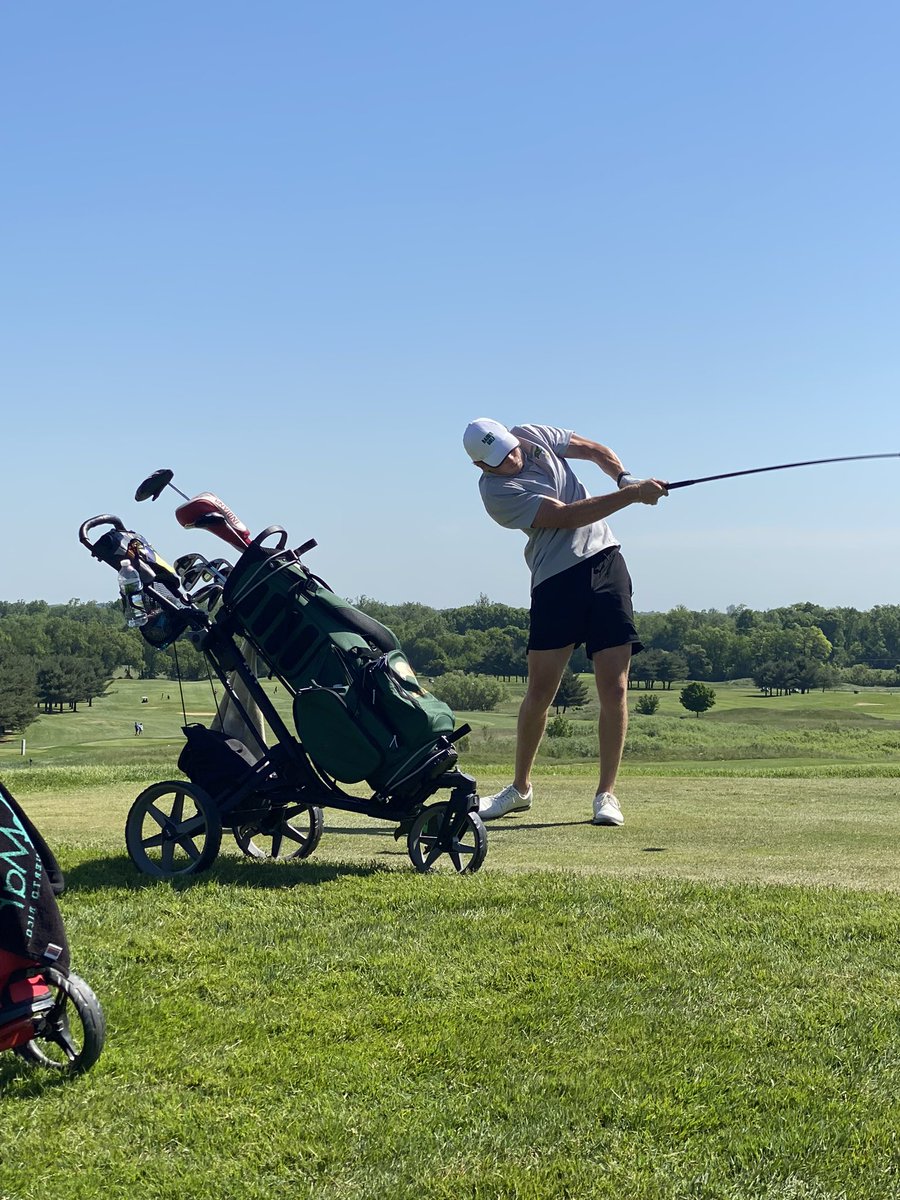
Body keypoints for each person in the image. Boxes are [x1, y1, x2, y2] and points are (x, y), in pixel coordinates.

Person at [463, 418, 668, 826]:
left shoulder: (530, 434)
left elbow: (592, 450)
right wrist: (630, 496)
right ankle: (520, 790)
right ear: (482, 467)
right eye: (502, 459)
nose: (514, 457)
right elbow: (568, 516)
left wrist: (624, 476)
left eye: (511, 447)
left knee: (615, 686)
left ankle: (606, 795)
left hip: (607, 562)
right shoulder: (497, 493)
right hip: (555, 580)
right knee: (540, 691)